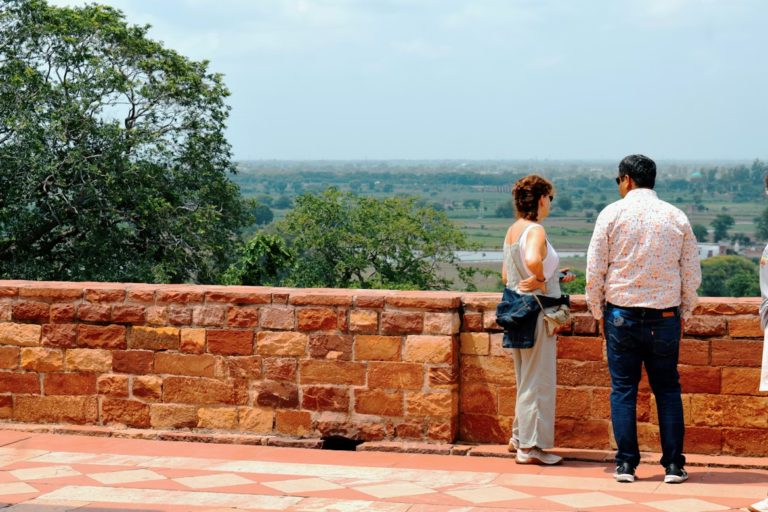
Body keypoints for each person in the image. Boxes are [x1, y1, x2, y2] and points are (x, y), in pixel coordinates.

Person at [586, 155, 701, 484]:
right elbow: (691, 275)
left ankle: (626, 464)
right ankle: (674, 465)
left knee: (623, 389)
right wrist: (684, 312)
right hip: (664, 317)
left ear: (626, 179)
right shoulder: (675, 216)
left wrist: (598, 312)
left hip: (621, 315)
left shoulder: (612, 214)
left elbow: (595, 271)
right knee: (667, 389)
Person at [501, 175, 576, 465]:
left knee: (525, 378)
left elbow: (508, 276)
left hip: (516, 309)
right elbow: (532, 261)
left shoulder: (513, 230)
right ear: (542, 199)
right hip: (537, 313)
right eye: (550, 198)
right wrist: (543, 279)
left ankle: (518, 437)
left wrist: (551, 276)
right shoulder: (536, 230)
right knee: (539, 380)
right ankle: (531, 447)